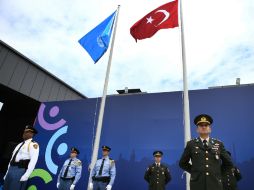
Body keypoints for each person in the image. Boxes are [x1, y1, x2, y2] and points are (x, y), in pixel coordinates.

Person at [179, 114, 233, 190]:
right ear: (197, 129)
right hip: (197, 184)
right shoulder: (191, 144)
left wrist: (217, 173)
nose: (203, 127)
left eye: (206, 125)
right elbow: (182, 163)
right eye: (201, 125)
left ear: (210, 129)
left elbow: (229, 163)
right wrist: (195, 172)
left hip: (215, 184)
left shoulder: (218, 144)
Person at [3, 125, 39, 190]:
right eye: (24, 132)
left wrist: (26, 175)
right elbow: (12, 159)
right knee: (5, 188)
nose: (24, 134)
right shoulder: (19, 145)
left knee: (14, 188)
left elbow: (33, 160)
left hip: (20, 170)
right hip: (11, 169)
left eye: (27, 132)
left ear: (31, 134)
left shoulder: (33, 144)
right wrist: (7, 173)